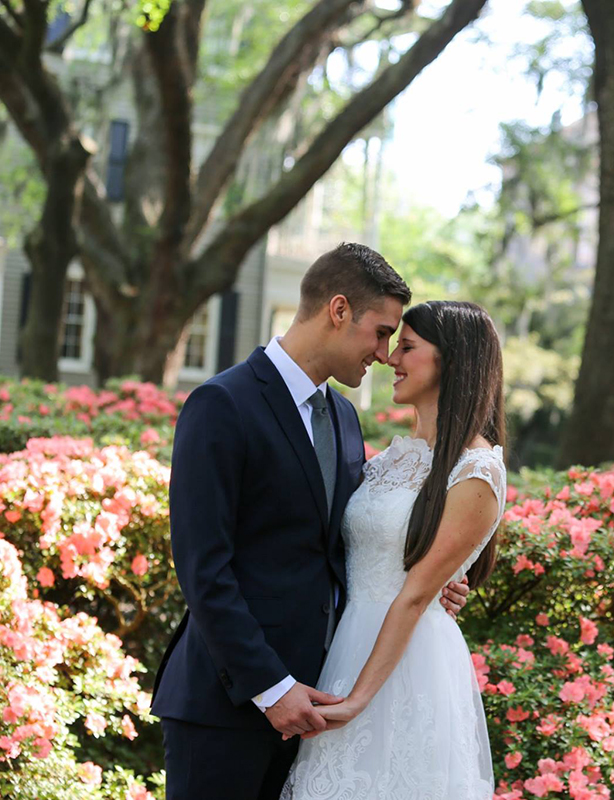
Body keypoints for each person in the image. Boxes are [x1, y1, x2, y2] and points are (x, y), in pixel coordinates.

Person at [151, 244, 473, 800]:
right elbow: (204, 568)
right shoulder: (221, 404)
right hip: (227, 706)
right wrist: (271, 689)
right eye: (380, 332)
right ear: (339, 310)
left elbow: (345, 542)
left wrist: (424, 578)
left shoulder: (344, 418)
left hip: (319, 711)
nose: (384, 352)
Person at [280, 300, 506, 800]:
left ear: (454, 361)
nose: (390, 358)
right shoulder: (391, 456)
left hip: (409, 668)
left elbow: (414, 595)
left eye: (407, 346)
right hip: (344, 650)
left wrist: (358, 700)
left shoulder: (477, 470)